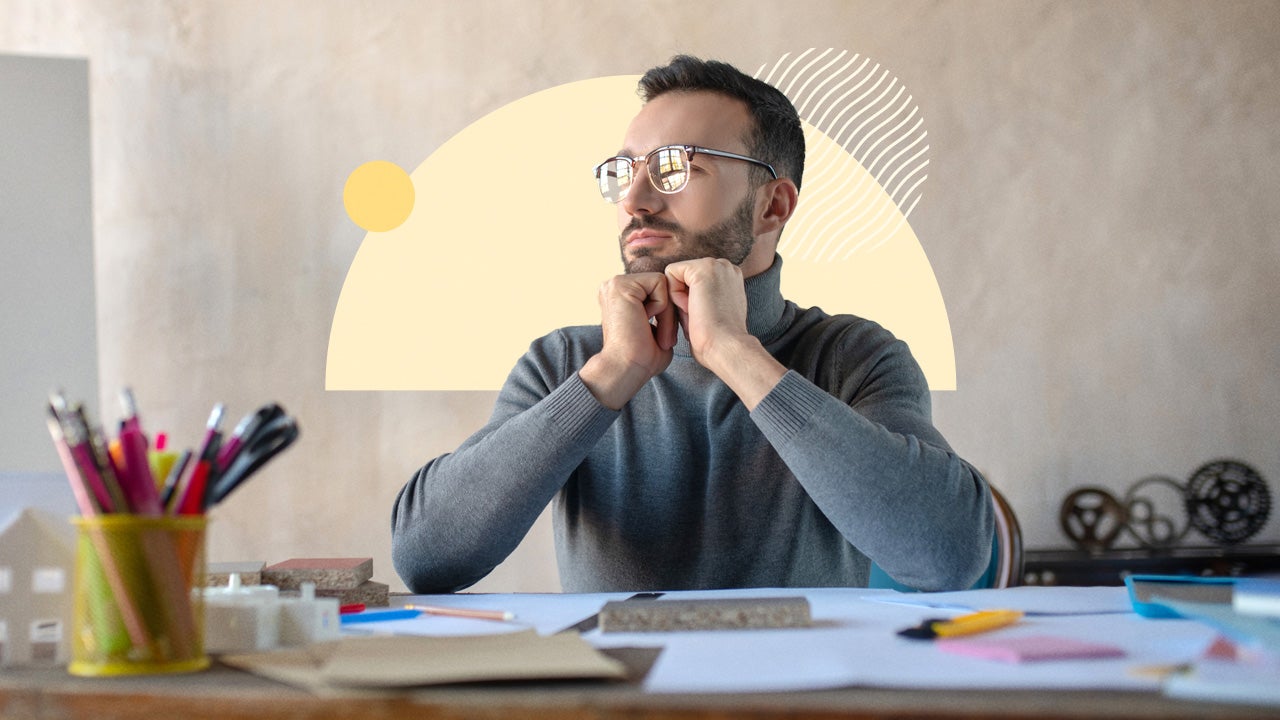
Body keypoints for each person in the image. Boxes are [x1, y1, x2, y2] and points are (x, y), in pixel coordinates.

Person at [392, 55, 993, 594]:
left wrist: (735, 352)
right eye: (624, 171)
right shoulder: (563, 363)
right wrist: (607, 377)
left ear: (772, 206)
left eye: (676, 167)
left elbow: (949, 557)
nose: (636, 199)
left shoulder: (855, 356)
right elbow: (426, 559)